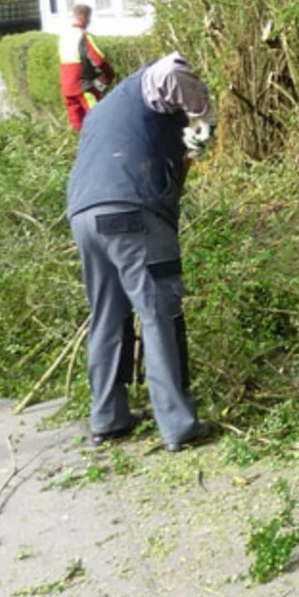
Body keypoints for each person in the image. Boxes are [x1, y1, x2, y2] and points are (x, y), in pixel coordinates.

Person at [66, 52, 217, 451]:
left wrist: (187, 152)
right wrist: (204, 114)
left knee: (108, 315)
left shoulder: (105, 111)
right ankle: (178, 426)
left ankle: (108, 419)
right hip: (131, 214)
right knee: (159, 313)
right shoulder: (155, 79)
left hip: (84, 216)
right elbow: (170, 73)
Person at [58, 4, 114, 132]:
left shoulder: (64, 35)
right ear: (85, 18)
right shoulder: (83, 36)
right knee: (98, 118)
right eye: (89, 18)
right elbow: (99, 59)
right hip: (83, 85)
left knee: (78, 124)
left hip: (66, 85)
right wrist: (109, 75)